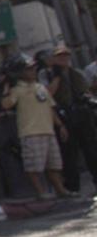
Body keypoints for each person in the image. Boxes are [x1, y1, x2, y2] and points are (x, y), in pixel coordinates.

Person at [1, 55, 72, 199]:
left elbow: (50, 107)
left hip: (47, 129)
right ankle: (41, 191)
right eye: (28, 69)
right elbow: (6, 104)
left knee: (54, 163)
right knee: (34, 166)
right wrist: (6, 88)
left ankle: (60, 189)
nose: (33, 71)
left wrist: (60, 125)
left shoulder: (40, 87)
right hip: (30, 131)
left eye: (33, 68)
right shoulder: (17, 90)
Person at [46, 45, 95, 194]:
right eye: (60, 57)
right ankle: (72, 187)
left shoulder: (77, 73)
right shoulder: (47, 74)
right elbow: (48, 95)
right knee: (69, 154)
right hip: (63, 116)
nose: (64, 59)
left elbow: (86, 92)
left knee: (91, 150)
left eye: (66, 56)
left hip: (82, 115)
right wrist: (57, 77)